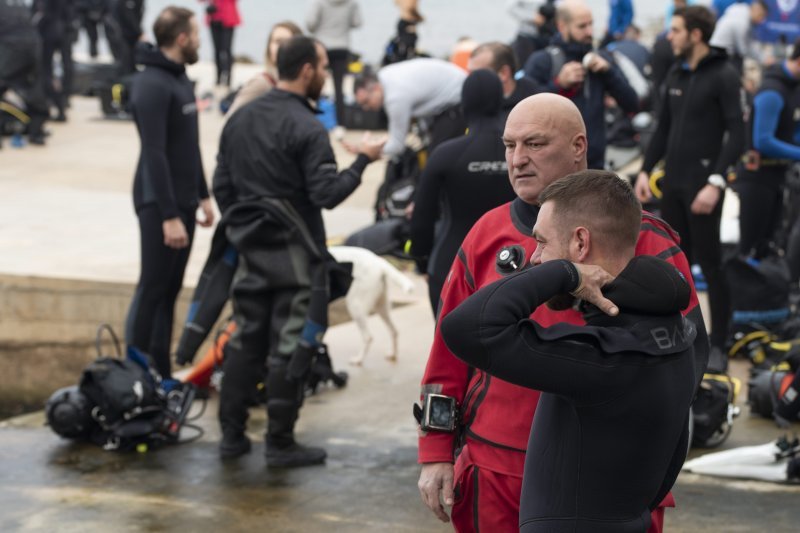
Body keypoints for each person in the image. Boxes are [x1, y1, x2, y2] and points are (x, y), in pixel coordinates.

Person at [416, 93, 708, 532]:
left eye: (534, 144)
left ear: (578, 147)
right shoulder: (486, 233)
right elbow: (447, 351)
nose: (517, 160)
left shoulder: (643, 239)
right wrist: (436, 450)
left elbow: (689, 357)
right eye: (509, 146)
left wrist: (648, 467)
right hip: (494, 465)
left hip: (602, 482)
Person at [212, 35, 385, 466]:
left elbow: (222, 185)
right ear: (307, 69)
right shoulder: (308, 127)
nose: (326, 75)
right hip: (297, 256)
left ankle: (231, 438)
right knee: (291, 344)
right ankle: (280, 443)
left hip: (249, 250)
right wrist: (363, 160)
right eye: (324, 67)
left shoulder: (241, 118)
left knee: (245, 340)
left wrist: (244, 226)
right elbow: (326, 193)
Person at [635, 5, 745, 369]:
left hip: (704, 187)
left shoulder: (724, 75)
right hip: (675, 186)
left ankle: (721, 343)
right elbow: (663, 129)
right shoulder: (676, 75)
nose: (670, 36)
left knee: (711, 266)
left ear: (696, 35)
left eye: (677, 30)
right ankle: (677, 334)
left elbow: (737, 134)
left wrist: (716, 181)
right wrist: (644, 171)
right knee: (674, 264)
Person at [125, 6, 214, 380]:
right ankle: (132, 371)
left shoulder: (180, 80)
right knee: (152, 286)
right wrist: (168, 215)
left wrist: (203, 194)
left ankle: (159, 372)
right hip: (157, 203)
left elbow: (188, 145)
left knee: (170, 290)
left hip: (183, 200)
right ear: (181, 38)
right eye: (195, 34)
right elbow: (155, 152)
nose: (198, 40)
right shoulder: (151, 84)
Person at [409, 69, 516, 314]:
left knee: (448, 348)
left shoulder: (446, 154)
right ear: (501, 100)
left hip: (451, 263)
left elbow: (422, 217)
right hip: (513, 264)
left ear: (464, 103)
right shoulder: (518, 153)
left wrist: (421, 259)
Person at [523, 0, 639, 170]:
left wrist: (609, 73)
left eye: (591, 24)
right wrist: (558, 84)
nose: (590, 32)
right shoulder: (543, 60)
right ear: (562, 26)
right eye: (582, 26)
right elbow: (524, 111)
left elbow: (632, 104)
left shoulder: (601, 60)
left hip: (594, 165)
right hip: (552, 167)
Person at [735, 40, 800, 258]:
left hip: (775, 176)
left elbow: (789, 132)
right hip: (757, 178)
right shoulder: (773, 90)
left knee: (766, 246)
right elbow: (763, 140)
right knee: (750, 249)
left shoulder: (792, 87)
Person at [354, 57, 466, 158]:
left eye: (366, 102)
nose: (365, 108)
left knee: (437, 157)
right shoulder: (383, 75)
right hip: (453, 88)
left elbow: (397, 146)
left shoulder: (395, 98)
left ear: (376, 88)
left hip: (458, 98)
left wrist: (365, 151)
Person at [226, 20, 302, 116]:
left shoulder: (300, 84)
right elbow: (231, 120)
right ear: (269, 46)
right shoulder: (262, 83)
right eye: (277, 41)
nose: (282, 46)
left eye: (288, 42)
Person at [305, 0, 362, 127]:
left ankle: (314, 119)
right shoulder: (351, 3)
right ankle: (341, 123)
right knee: (339, 88)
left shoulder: (319, 3)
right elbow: (357, 23)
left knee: (316, 84)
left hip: (322, 46)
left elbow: (310, 24)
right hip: (342, 47)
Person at [0, 0, 49, 146]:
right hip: (33, 46)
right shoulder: (18, 3)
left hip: (11, 46)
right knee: (32, 87)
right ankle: (36, 132)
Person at [467, 41, 540, 119]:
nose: (470, 80)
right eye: (469, 73)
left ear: (504, 73)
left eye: (477, 74)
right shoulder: (471, 104)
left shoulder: (536, 103)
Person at [33, 0, 74, 122]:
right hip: (62, 30)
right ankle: (62, 100)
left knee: (45, 72)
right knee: (63, 67)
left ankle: (57, 104)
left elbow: (42, 13)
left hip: (49, 33)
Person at [710, 0, 769, 73]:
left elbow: (749, 43)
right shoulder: (743, 22)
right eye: (761, 15)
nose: (761, 20)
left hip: (720, 49)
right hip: (720, 51)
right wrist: (763, 59)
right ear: (756, 9)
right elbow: (743, 49)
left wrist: (762, 57)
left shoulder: (742, 11)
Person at [202, 0, 240, 87]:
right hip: (213, 17)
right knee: (216, 50)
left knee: (227, 50)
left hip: (227, 18)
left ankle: (228, 78)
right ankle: (218, 78)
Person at [382, 0, 423, 66]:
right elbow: (412, 10)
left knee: (402, 46)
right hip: (407, 23)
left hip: (402, 21)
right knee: (407, 48)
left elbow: (396, 3)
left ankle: (400, 63)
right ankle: (404, 64)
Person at [112, 0, 144, 74]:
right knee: (125, 59)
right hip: (124, 32)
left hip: (131, 33)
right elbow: (128, 16)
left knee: (132, 58)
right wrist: (139, 32)